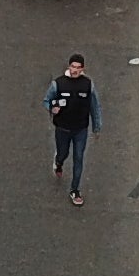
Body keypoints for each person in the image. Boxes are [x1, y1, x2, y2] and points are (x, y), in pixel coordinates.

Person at [43, 55, 99, 206]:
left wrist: (96, 126)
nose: (74, 70)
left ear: (82, 69)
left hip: (80, 128)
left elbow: (94, 106)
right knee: (64, 152)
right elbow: (46, 100)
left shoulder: (88, 84)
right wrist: (51, 108)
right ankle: (59, 161)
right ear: (68, 67)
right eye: (72, 67)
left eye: (77, 67)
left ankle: (75, 190)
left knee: (79, 157)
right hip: (62, 128)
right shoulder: (58, 84)